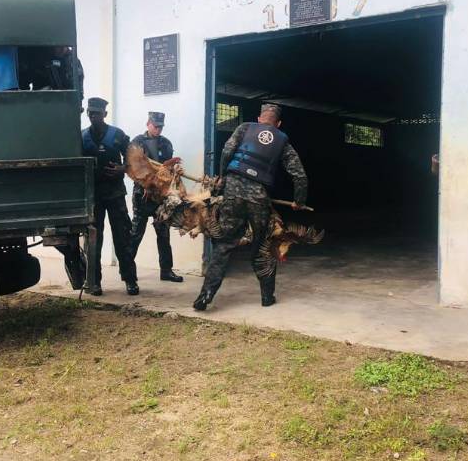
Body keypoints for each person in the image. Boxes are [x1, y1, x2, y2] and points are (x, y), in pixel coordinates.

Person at [194, 103, 308, 311]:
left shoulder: (245, 128)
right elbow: (299, 175)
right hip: (258, 198)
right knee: (262, 246)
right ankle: (267, 297)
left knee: (224, 244)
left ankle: (206, 295)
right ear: (278, 123)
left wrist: (222, 177)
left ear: (259, 118)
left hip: (233, 192)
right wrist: (299, 201)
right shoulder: (282, 140)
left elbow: (227, 150)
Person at [81, 97, 139, 296]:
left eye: (96, 113)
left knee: (122, 236)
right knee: (93, 239)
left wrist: (122, 169)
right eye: (90, 112)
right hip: (93, 196)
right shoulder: (81, 137)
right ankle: (94, 282)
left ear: (105, 114)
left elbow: (135, 162)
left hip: (115, 194)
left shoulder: (118, 135)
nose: (92, 116)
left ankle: (130, 279)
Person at [129, 112, 184, 283]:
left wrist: (172, 170)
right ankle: (128, 272)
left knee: (164, 233)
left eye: (160, 126)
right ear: (148, 123)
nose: (158, 129)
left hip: (160, 197)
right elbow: (134, 168)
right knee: (136, 233)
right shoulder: (138, 142)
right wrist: (147, 184)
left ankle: (166, 271)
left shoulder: (166, 143)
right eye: (155, 126)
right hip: (143, 196)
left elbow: (166, 171)